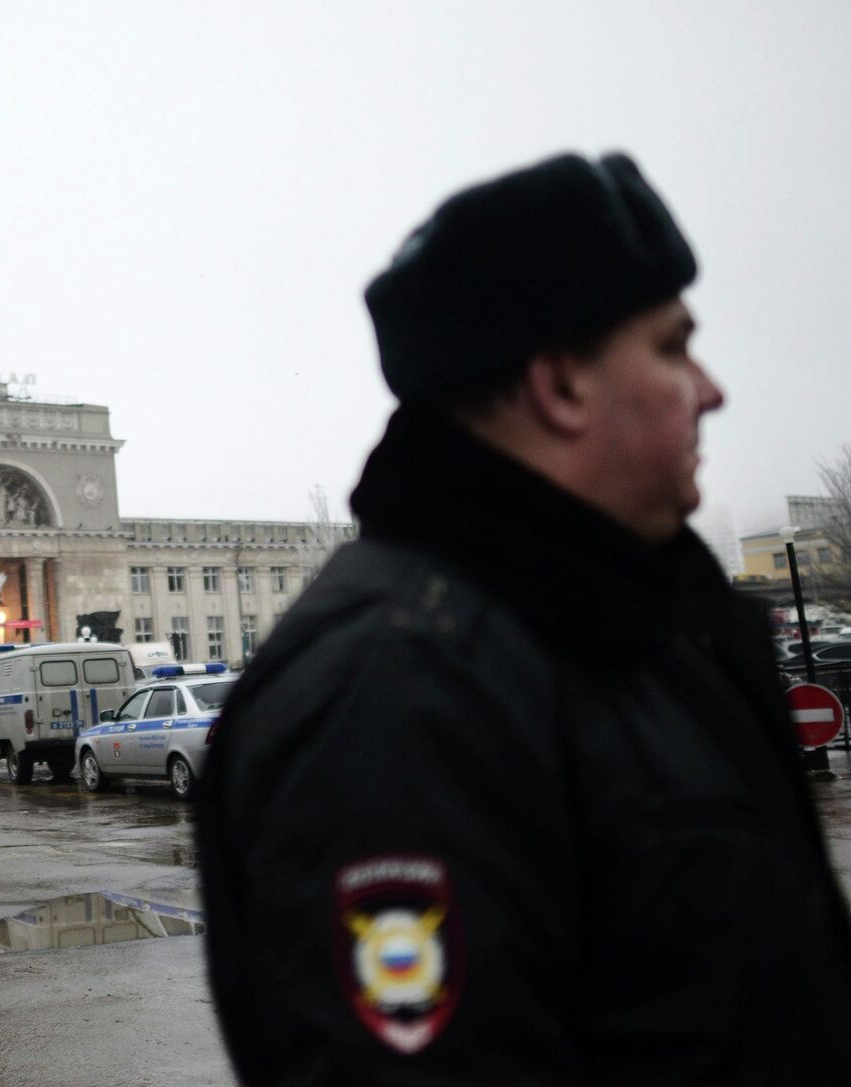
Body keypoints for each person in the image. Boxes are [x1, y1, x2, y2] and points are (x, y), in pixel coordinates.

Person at [199, 152, 851, 1083]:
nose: (711, 389)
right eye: (671, 347)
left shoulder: (636, 623)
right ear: (560, 385)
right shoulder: (399, 698)